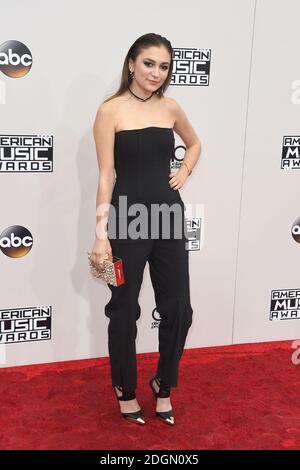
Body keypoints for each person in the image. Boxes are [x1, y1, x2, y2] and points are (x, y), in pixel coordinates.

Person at [90, 33, 201, 426]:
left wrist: (184, 170)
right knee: (124, 309)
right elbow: (106, 176)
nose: (157, 72)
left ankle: (163, 383)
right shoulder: (110, 111)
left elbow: (194, 143)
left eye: (165, 66)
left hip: (168, 218)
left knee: (179, 309)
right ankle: (124, 390)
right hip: (125, 220)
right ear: (132, 64)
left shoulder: (170, 107)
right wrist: (101, 234)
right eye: (149, 63)